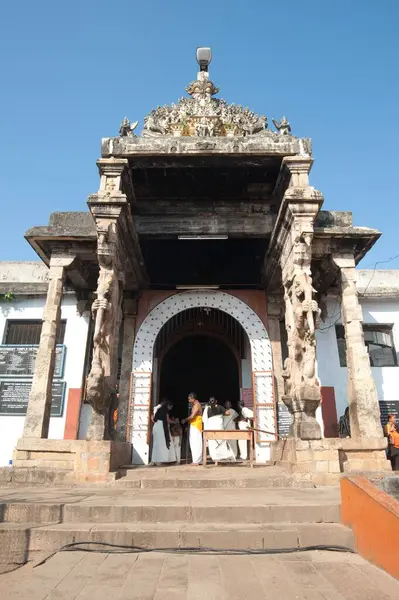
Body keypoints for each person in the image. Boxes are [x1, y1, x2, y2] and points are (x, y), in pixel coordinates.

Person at [204, 397, 236, 463]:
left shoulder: (207, 409)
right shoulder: (219, 407)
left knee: (213, 443)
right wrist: (224, 413)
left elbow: (204, 419)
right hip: (219, 428)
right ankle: (223, 456)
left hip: (211, 429)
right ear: (216, 401)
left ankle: (215, 457)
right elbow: (228, 413)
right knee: (221, 442)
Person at [151, 401, 176, 465]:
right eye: (171, 407)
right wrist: (174, 422)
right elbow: (167, 420)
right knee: (162, 444)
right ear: (168, 405)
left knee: (156, 444)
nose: (170, 408)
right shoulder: (165, 410)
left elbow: (152, 418)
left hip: (156, 426)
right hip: (161, 427)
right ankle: (160, 460)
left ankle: (154, 460)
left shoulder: (157, 409)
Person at [182, 393, 203, 466]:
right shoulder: (195, 405)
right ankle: (196, 460)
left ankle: (197, 461)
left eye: (189, 399)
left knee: (196, 442)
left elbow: (193, 416)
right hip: (194, 424)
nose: (189, 400)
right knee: (193, 442)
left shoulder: (197, 405)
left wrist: (185, 420)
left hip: (196, 424)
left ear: (193, 398)